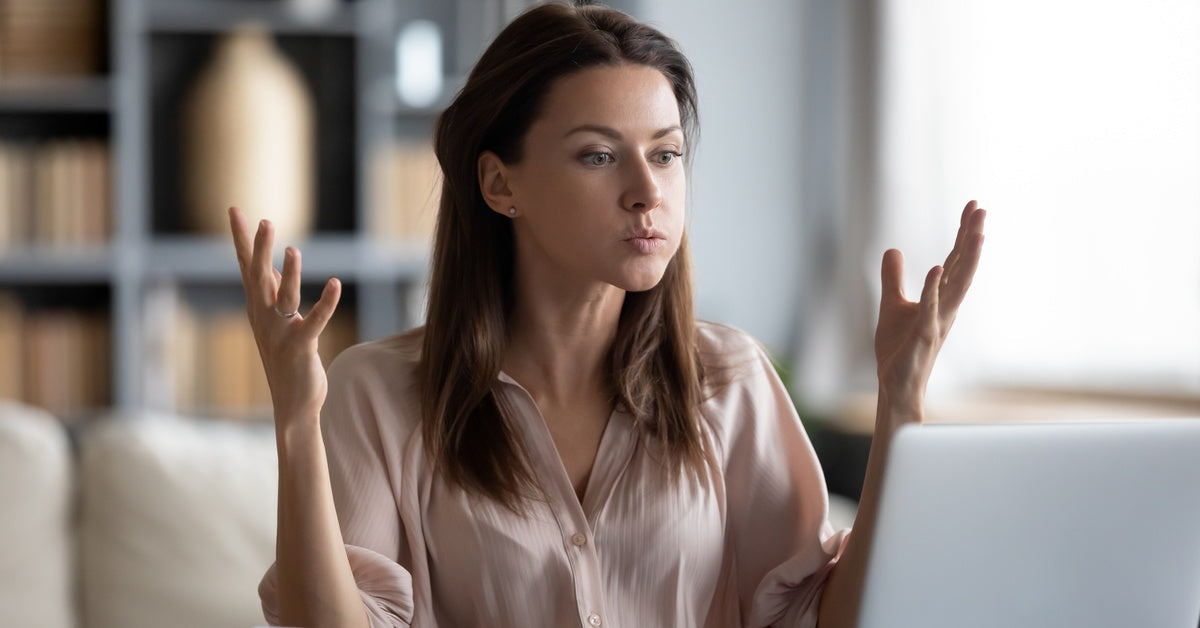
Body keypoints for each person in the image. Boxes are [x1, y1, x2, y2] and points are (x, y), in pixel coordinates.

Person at [228, 2, 985, 627]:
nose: (647, 193)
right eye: (598, 155)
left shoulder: (732, 380)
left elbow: (826, 621)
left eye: (666, 154)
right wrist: (295, 422)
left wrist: (900, 402)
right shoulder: (378, 391)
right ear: (499, 184)